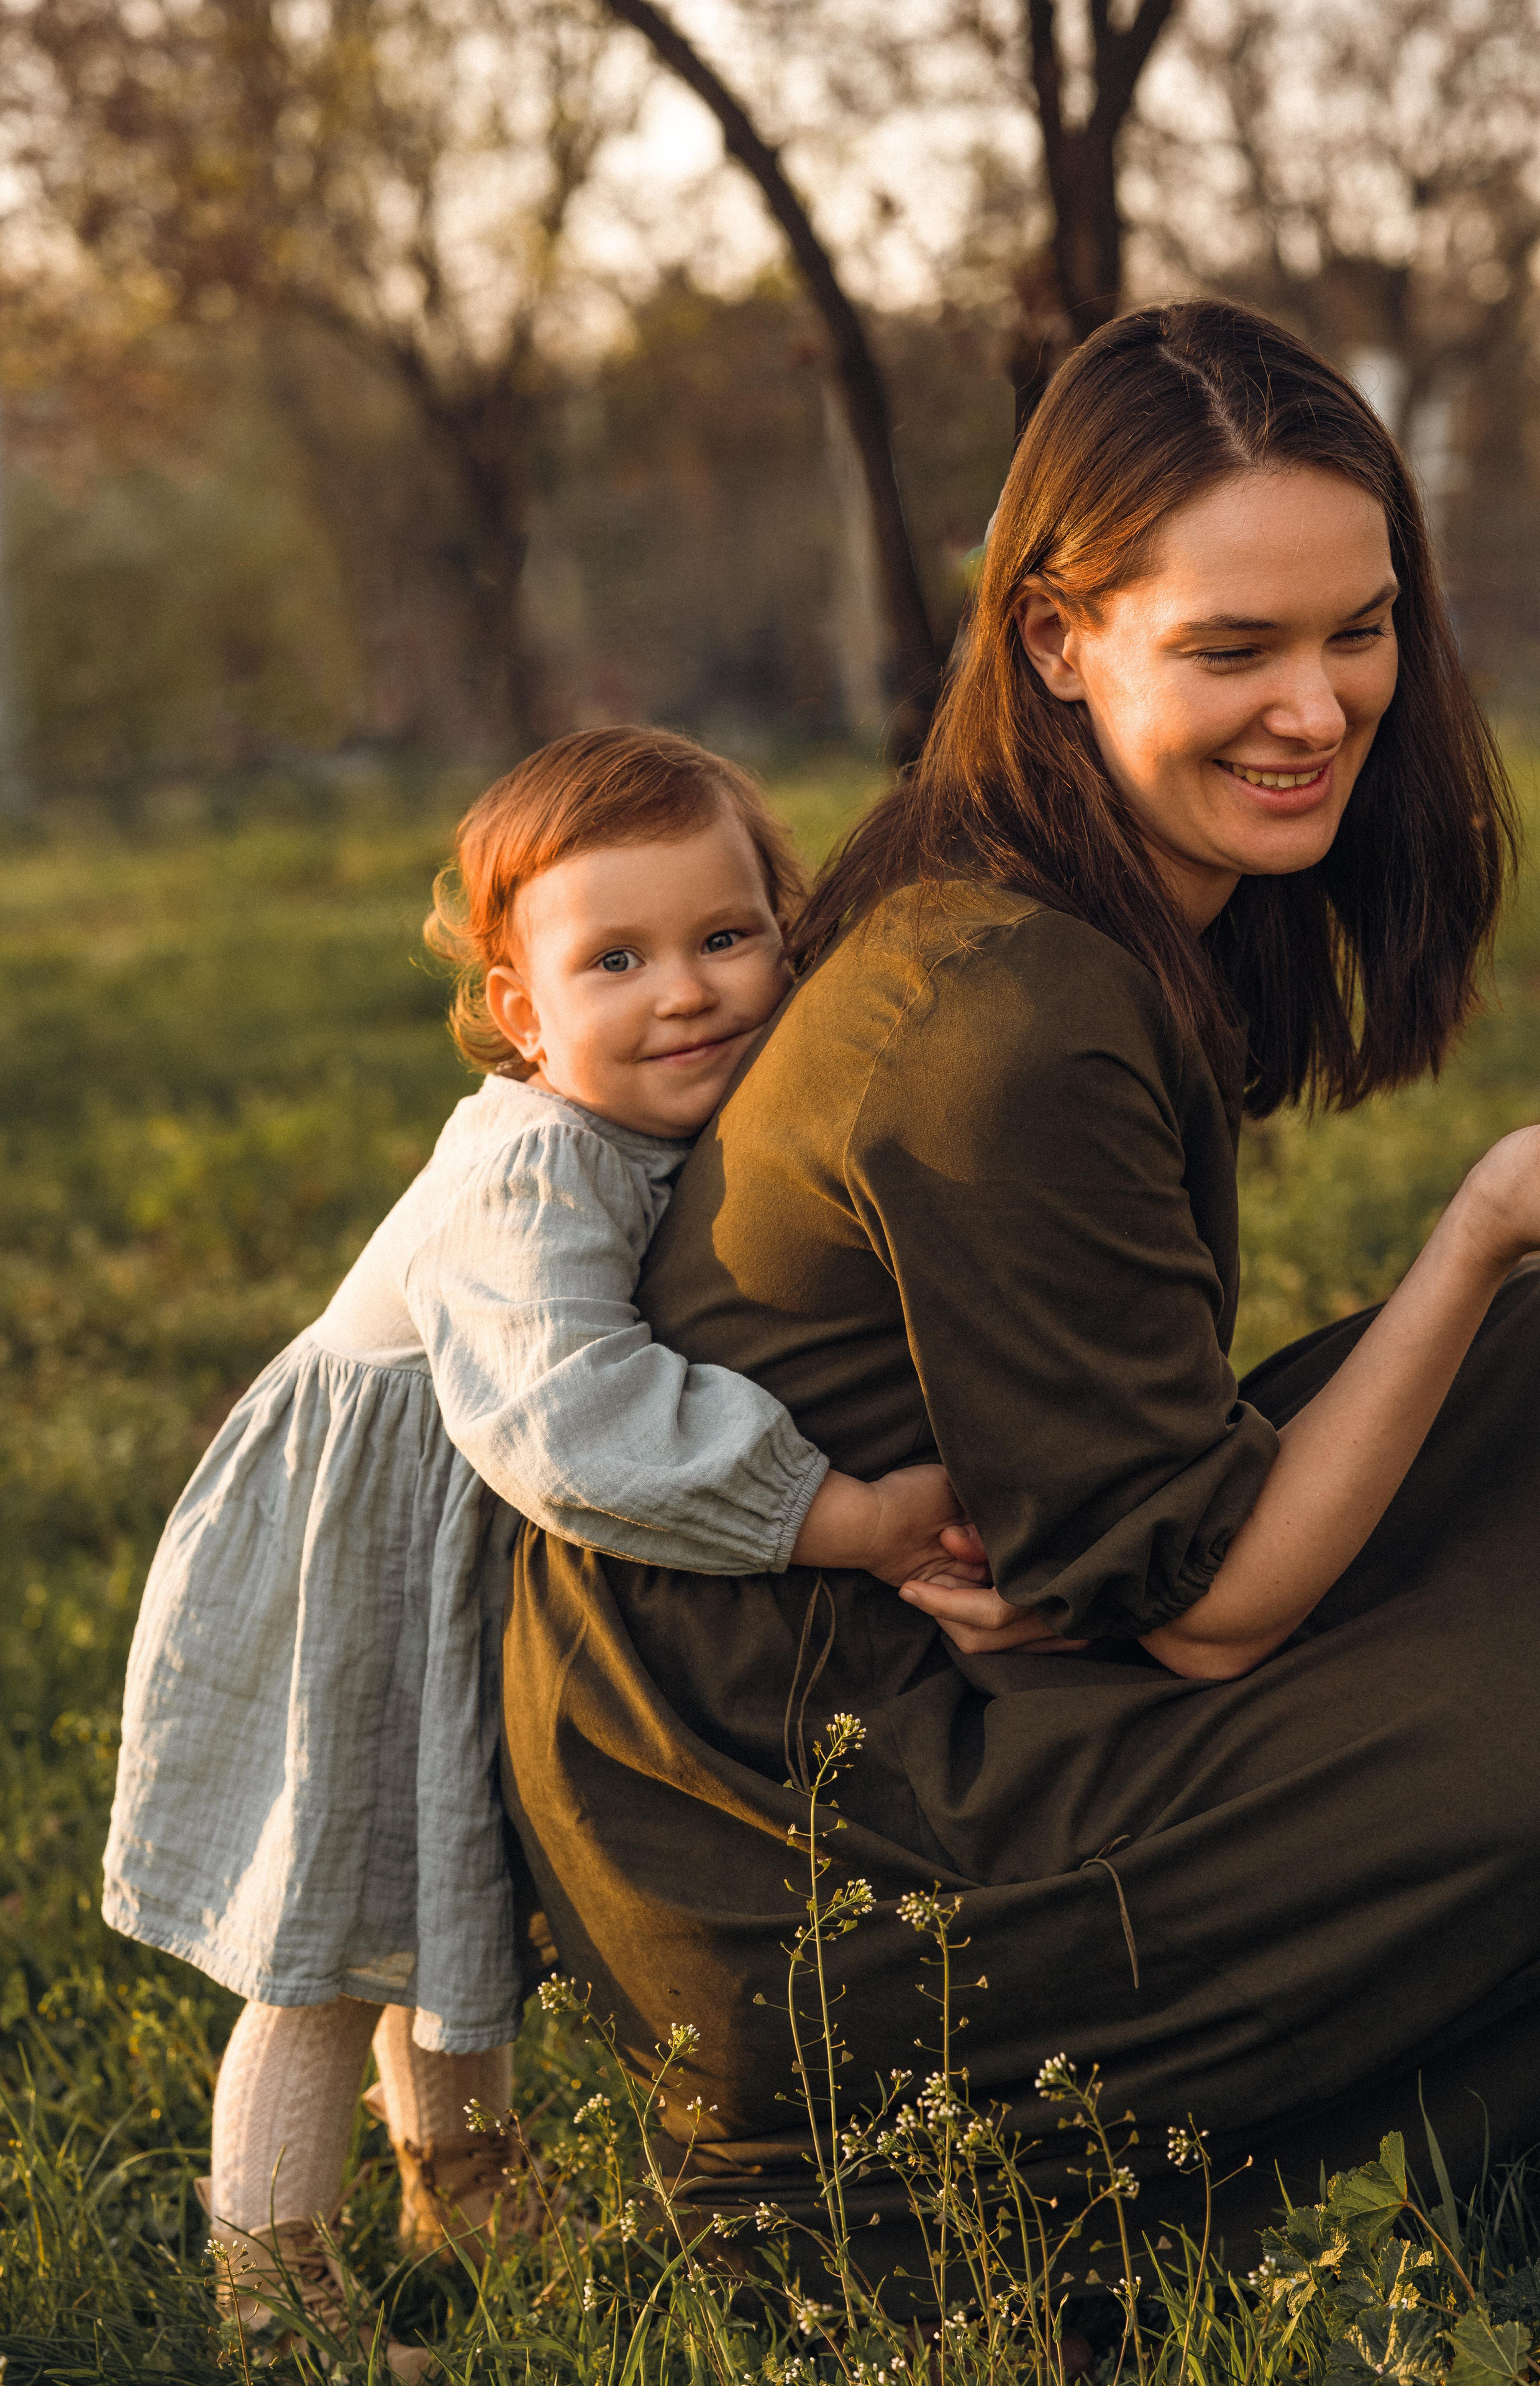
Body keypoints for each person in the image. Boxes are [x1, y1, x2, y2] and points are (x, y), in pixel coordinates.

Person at [496, 299, 1540, 2293]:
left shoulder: (1083, 882)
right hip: (837, 1860)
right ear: (1059, 639)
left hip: (944, 1650)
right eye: (1233, 649)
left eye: (1358, 630)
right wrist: (1487, 1217)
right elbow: (1204, 1607)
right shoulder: (1004, 1007)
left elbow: (1128, 1505)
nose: (1319, 708)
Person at [101, 728, 976, 2364]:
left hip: (460, 1550)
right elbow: (572, 1418)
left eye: (726, 937)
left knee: (452, 1873)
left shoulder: (665, 1115)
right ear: (523, 1011)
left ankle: (465, 2186)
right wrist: (841, 1516)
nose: (686, 993)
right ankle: (271, 2308)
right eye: (616, 961)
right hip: (359, 1562)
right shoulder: (533, 1164)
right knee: (326, 1935)